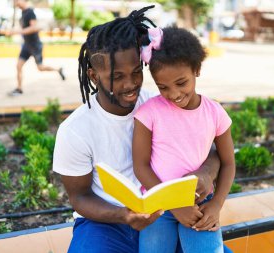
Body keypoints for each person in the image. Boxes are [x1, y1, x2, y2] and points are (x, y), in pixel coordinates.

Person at [53, 6, 225, 253]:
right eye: (117, 76)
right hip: (107, 221)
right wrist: (124, 215)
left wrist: (206, 173)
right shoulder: (75, 130)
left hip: (169, 212)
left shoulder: (160, 105)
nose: (130, 84)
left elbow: (210, 151)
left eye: (136, 72)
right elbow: (79, 198)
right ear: (93, 75)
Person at [133, 26, 236, 253]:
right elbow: (140, 166)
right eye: (163, 87)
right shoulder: (148, 113)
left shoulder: (215, 113)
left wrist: (216, 204)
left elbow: (228, 163)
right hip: (157, 206)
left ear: (196, 70)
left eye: (181, 83)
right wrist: (172, 203)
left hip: (199, 205)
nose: (173, 94)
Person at [8, 0, 65, 96]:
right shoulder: (23, 13)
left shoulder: (30, 12)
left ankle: (58, 69)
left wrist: (18, 32)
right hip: (26, 45)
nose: (16, 3)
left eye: (17, 0)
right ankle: (19, 89)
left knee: (40, 68)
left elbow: (34, 28)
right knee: (18, 66)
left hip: (35, 46)